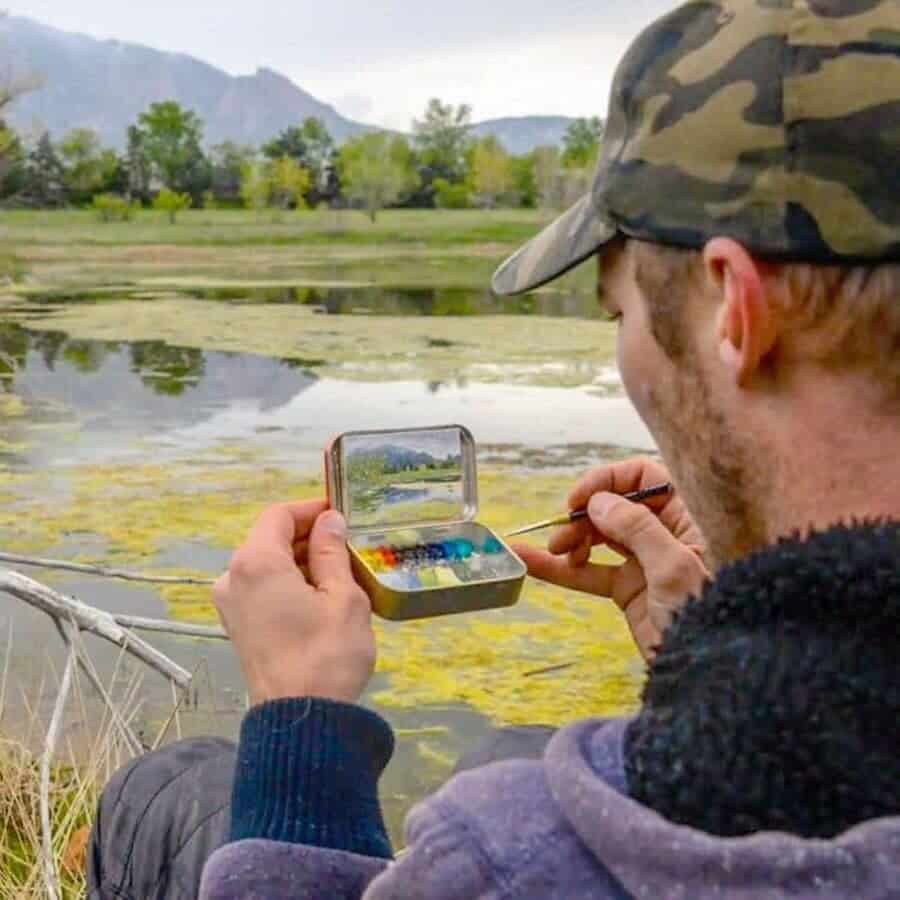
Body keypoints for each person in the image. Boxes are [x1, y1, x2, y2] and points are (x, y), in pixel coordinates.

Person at [88, 0, 900, 897]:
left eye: (618, 312)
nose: (622, 346)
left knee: (164, 791)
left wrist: (299, 722)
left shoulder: (504, 863)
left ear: (736, 315)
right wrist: (726, 654)